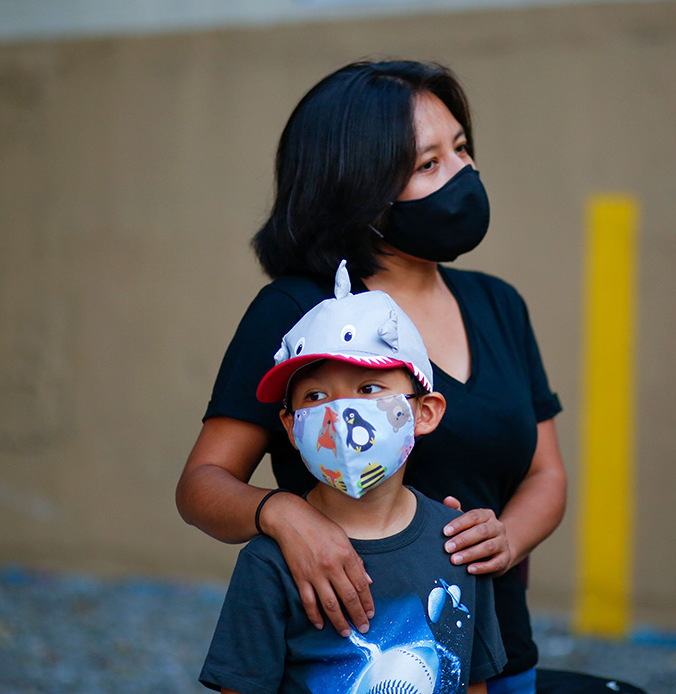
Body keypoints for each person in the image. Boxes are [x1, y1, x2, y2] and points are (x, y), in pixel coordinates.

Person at [177, 59, 567, 694]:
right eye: (428, 164)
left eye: (461, 149)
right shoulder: (299, 313)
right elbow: (201, 485)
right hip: (340, 662)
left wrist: (506, 537)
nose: (462, 176)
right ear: (358, 188)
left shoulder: (500, 305)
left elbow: (547, 474)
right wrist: (281, 515)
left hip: (493, 655)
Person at [199, 261, 506, 693]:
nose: (340, 416)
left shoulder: (458, 545)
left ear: (425, 412)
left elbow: (472, 682)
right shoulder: (269, 561)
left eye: (368, 388)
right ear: (290, 426)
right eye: (316, 395)